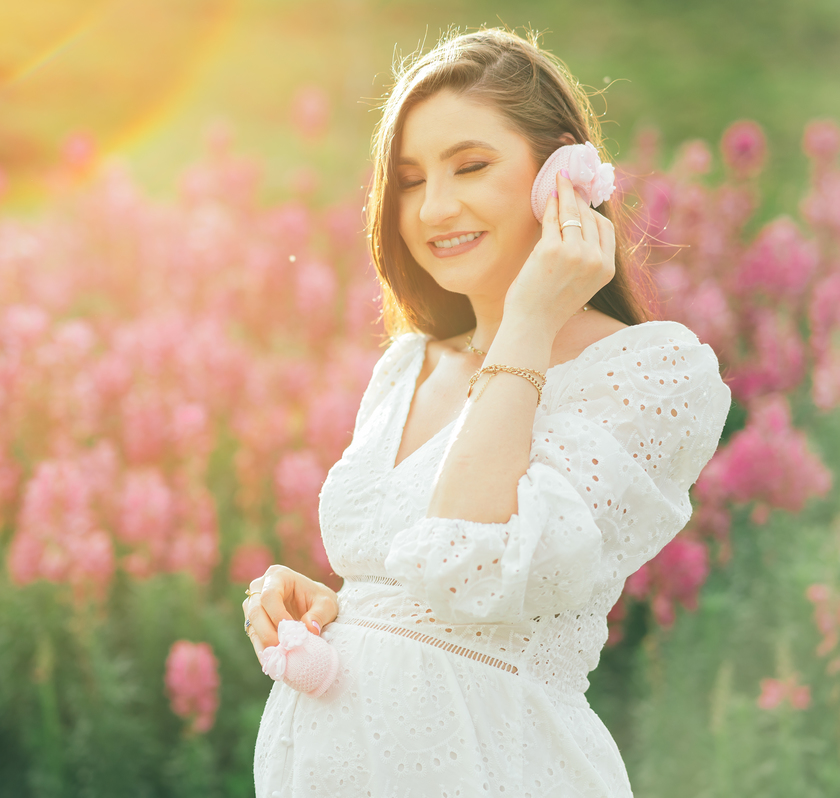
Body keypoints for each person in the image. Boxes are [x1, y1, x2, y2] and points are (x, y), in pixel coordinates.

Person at [242, 27, 732, 796]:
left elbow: (470, 559)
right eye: (409, 180)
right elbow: (422, 602)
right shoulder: (407, 364)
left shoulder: (651, 371)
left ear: (561, 174)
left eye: (471, 165)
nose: (436, 207)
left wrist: (529, 320)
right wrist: (333, 610)